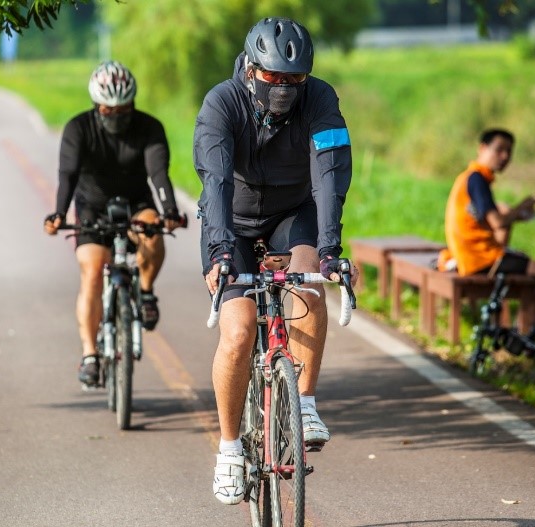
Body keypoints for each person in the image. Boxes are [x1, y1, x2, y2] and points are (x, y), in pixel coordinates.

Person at [193, 17, 356, 505]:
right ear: (250, 69)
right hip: (232, 224)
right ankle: (228, 451)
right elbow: (216, 180)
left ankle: (304, 401)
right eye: (273, 78)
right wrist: (222, 251)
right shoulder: (222, 103)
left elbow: (329, 174)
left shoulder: (321, 99)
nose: (284, 88)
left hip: (293, 213)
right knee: (240, 329)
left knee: (310, 286)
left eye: (294, 79)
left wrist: (330, 250)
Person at [43, 60, 183, 388]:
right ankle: (90, 354)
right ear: (96, 107)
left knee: (153, 233)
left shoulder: (149, 127)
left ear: (133, 104)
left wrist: (171, 211)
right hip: (91, 206)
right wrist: (60, 214)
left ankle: (146, 293)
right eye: (109, 111)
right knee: (92, 272)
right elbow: (68, 175)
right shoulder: (79, 129)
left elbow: (158, 173)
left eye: (124, 110)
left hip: (137, 201)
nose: (117, 117)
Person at [442, 128, 535, 331]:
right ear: (482, 148)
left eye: (509, 152)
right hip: (481, 257)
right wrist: (520, 208)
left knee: (525, 265)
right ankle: (523, 333)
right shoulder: (477, 179)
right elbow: (497, 222)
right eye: (499, 150)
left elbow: (490, 222)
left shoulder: (469, 178)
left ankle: (516, 328)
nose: (504, 157)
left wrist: (513, 214)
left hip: (470, 254)